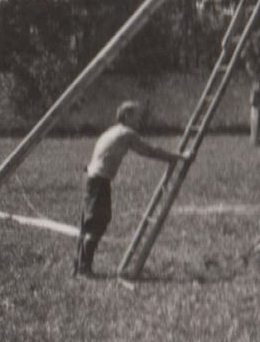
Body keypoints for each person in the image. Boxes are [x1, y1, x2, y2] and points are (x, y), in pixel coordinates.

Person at [73, 100, 186, 277]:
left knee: (91, 222)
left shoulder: (113, 130)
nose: (139, 120)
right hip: (98, 180)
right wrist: (177, 156)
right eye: (136, 116)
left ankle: (80, 265)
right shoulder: (126, 133)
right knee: (98, 221)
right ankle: (83, 268)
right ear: (126, 116)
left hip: (93, 178)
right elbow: (149, 150)